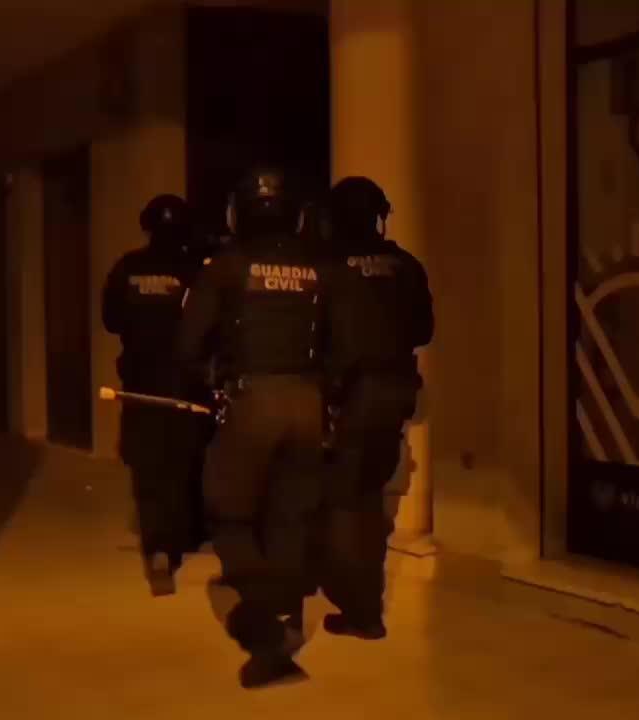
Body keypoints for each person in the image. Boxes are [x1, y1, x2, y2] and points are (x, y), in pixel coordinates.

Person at [179, 167, 324, 689]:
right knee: (290, 518)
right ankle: (286, 617)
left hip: (251, 404)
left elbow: (188, 345)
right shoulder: (318, 266)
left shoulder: (225, 267)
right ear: (295, 213)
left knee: (231, 514)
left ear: (237, 213)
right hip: (309, 404)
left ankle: (264, 640)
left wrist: (210, 380)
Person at [318, 176, 433, 640]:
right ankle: (363, 602)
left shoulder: (327, 266)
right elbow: (424, 331)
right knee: (367, 501)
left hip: (351, 397)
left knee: (346, 503)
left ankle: (361, 610)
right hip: (395, 394)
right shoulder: (406, 265)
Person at [101, 193, 212, 596]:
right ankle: (181, 538)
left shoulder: (127, 268)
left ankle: (159, 552)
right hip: (185, 386)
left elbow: (111, 321)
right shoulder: (196, 270)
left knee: (147, 470)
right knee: (182, 465)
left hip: (141, 385)